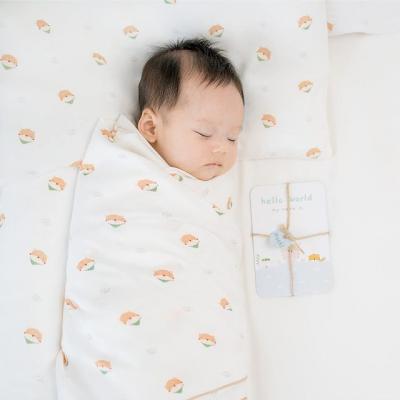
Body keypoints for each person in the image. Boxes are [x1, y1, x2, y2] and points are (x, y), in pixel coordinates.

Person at [135, 37, 244, 182]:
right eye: (204, 133)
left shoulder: (233, 181)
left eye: (232, 138)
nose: (223, 148)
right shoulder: (132, 171)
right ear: (151, 127)